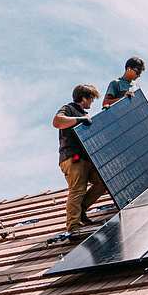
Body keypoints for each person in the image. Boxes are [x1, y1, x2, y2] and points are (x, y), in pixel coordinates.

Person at [52, 84, 108, 233]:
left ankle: (81, 210)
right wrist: (79, 119)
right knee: (77, 189)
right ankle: (73, 226)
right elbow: (57, 122)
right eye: (91, 99)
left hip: (86, 159)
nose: (92, 102)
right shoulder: (69, 109)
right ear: (83, 98)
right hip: (72, 158)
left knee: (103, 182)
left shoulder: (84, 114)